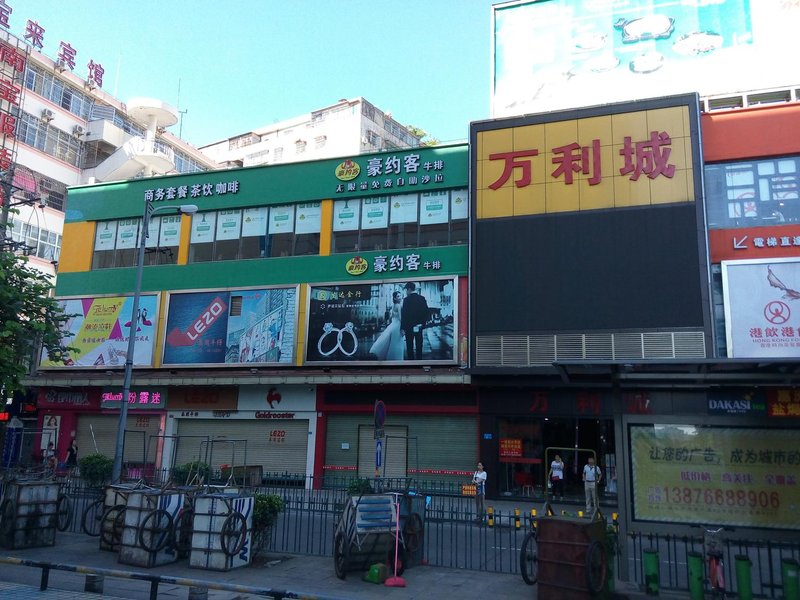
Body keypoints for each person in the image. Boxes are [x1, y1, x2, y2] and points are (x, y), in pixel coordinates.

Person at [369, 291, 404, 360]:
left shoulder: (393, 306)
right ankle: (397, 358)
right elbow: (400, 318)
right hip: (397, 326)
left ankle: (392, 358)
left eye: (400, 296)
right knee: (398, 343)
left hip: (393, 326)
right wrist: (403, 328)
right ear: (394, 298)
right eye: (398, 296)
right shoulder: (398, 306)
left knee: (393, 343)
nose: (400, 298)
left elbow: (391, 317)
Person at [400, 282, 429, 360]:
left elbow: (404, 315)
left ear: (409, 289)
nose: (406, 292)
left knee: (409, 346)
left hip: (409, 327)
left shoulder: (406, 300)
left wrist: (403, 328)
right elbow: (426, 312)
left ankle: (411, 362)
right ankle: (419, 361)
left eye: (406, 290)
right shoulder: (422, 298)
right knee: (419, 345)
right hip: (419, 327)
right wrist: (422, 323)